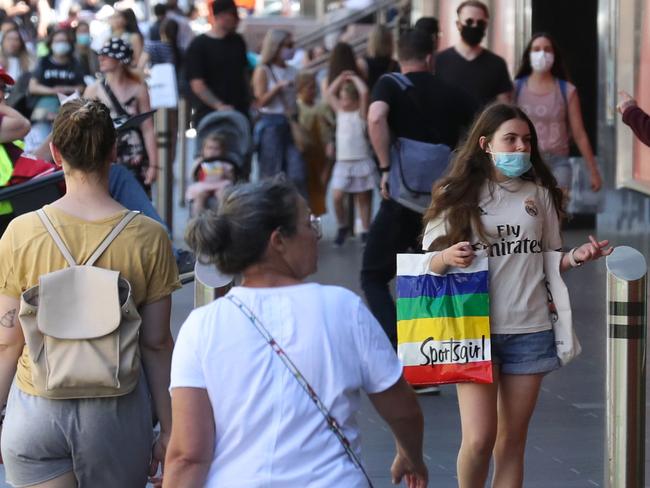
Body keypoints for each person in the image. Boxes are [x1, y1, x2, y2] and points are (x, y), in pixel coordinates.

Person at [163, 178, 428, 488]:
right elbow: (403, 409)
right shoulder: (343, 308)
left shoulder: (201, 326)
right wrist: (411, 454)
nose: (316, 234)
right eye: (309, 223)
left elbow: (188, 455)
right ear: (278, 241)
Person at [421, 103, 612, 488]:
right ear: (486, 144)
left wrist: (577, 257)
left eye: (526, 141)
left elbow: (547, 258)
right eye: (511, 139)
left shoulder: (540, 196)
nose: (521, 148)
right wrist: (446, 255)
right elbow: (427, 266)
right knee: (478, 440)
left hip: (531, 329)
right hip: (475, 330)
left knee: (511, 442)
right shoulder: (455, 194)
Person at [0, 98, 180, 486]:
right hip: (115, 415)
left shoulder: (21, 232)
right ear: (114, 151)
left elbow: (7, 341)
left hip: (37, 408)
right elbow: (157, 343)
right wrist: (169, 430)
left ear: (55, 152)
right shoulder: (148, 236)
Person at [361, 29, 474, 349]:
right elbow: (485, 125)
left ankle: (402, 346)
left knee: (373, 275)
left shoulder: (389, 84)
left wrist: (385, 167)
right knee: (433, 271)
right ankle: (436, 347)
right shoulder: (452, 91)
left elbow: (375, 118)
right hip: (442, 204)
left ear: (399, 57)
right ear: (430, 57)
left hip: (400, 200)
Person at [514, 33, 602, 193]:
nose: (542, 54)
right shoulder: (515, 89)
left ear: (554, 56)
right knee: (528, 214)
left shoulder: (567, 90)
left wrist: (593, 171)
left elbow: (579, 134)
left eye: (547, 50)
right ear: (528, 55)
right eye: (536, 49)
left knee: (556, 213)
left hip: (558, 162)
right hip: (524, 161)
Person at [84, 38, 158, 193]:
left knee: (137, 204)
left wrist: (153, 164)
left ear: (119, 60)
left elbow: (148, 128)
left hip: (135, 156)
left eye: (107, 55)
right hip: (104, 156)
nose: (101, 58)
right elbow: (85, 128)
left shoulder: (139, 89)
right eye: (101, 54)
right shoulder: (93, 90)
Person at [252, 29, 306, 195]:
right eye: (288, 45)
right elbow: (260, 101)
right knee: (271, 175)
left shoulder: (293, 71)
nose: (292, 49)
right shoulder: (264, 70)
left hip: (290, 122)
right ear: (276, 46)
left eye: (293, 45)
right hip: (270, 124)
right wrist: (277, 88)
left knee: (297, 174)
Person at [435, 0, 512, 110]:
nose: (475, 26)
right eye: (469, 22)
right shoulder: (439, 60)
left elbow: (504, 107)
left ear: (485, 26)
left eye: (480, 23)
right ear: (458, 24)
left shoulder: (497, 64)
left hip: (485, 127)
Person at [326, 70, 374, 245]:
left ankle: (366, 229)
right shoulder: (341, 113)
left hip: (360, 160)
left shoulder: (360, 114)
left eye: (346, 98)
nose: (343, 102)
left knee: (363, 198)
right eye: (342, 98)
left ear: (355, 101)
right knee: (337, 196)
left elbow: (364, 92)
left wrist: (354, 78)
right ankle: (342, 225)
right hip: (343, 162)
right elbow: (329, 93)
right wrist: (340, 77)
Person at [185, 0, 250, 126]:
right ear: (220, 16)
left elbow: (244, 72)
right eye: (233, 15)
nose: (236, 20)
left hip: (240, 112)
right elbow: (197, 83)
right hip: (210, 115)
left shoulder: (238, 41)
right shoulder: (199, 45)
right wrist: (219, 105)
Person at [26, 27, 84, 152]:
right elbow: (33, 87)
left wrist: (65, 89)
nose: (61, 44)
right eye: (57, 41)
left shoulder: (75, 63)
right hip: (43, 112)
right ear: (51, 43)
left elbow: (81, 87)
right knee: (40, 144)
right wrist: (53, 91)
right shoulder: (44, 62)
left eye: (64, 41)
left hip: (69, 110)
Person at [296, 70, 332, 217]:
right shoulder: (297, 107)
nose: (313, 91)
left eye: (313, 87)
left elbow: (328, 128)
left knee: (319, 188)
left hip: (320, 152)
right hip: (305, 153)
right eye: (309, 87)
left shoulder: (321, 107)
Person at [185, 132, 235, 215]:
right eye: (209, 148)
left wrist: (226, 173)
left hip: (220, 184)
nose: (212, 151)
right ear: (203, 150)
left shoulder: (225, 163)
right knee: (199, 197)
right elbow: (192, 175)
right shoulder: (200, 162)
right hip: (204, 185)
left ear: (222, 150)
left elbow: (232, 178)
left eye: (216, 149)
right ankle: (198, 218)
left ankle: (223, 216)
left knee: (223, 195)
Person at [357, 25, 400, 92]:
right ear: (390, 42)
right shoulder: (396, 65)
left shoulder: (363, 64)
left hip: (370, 101)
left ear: (371, 41)